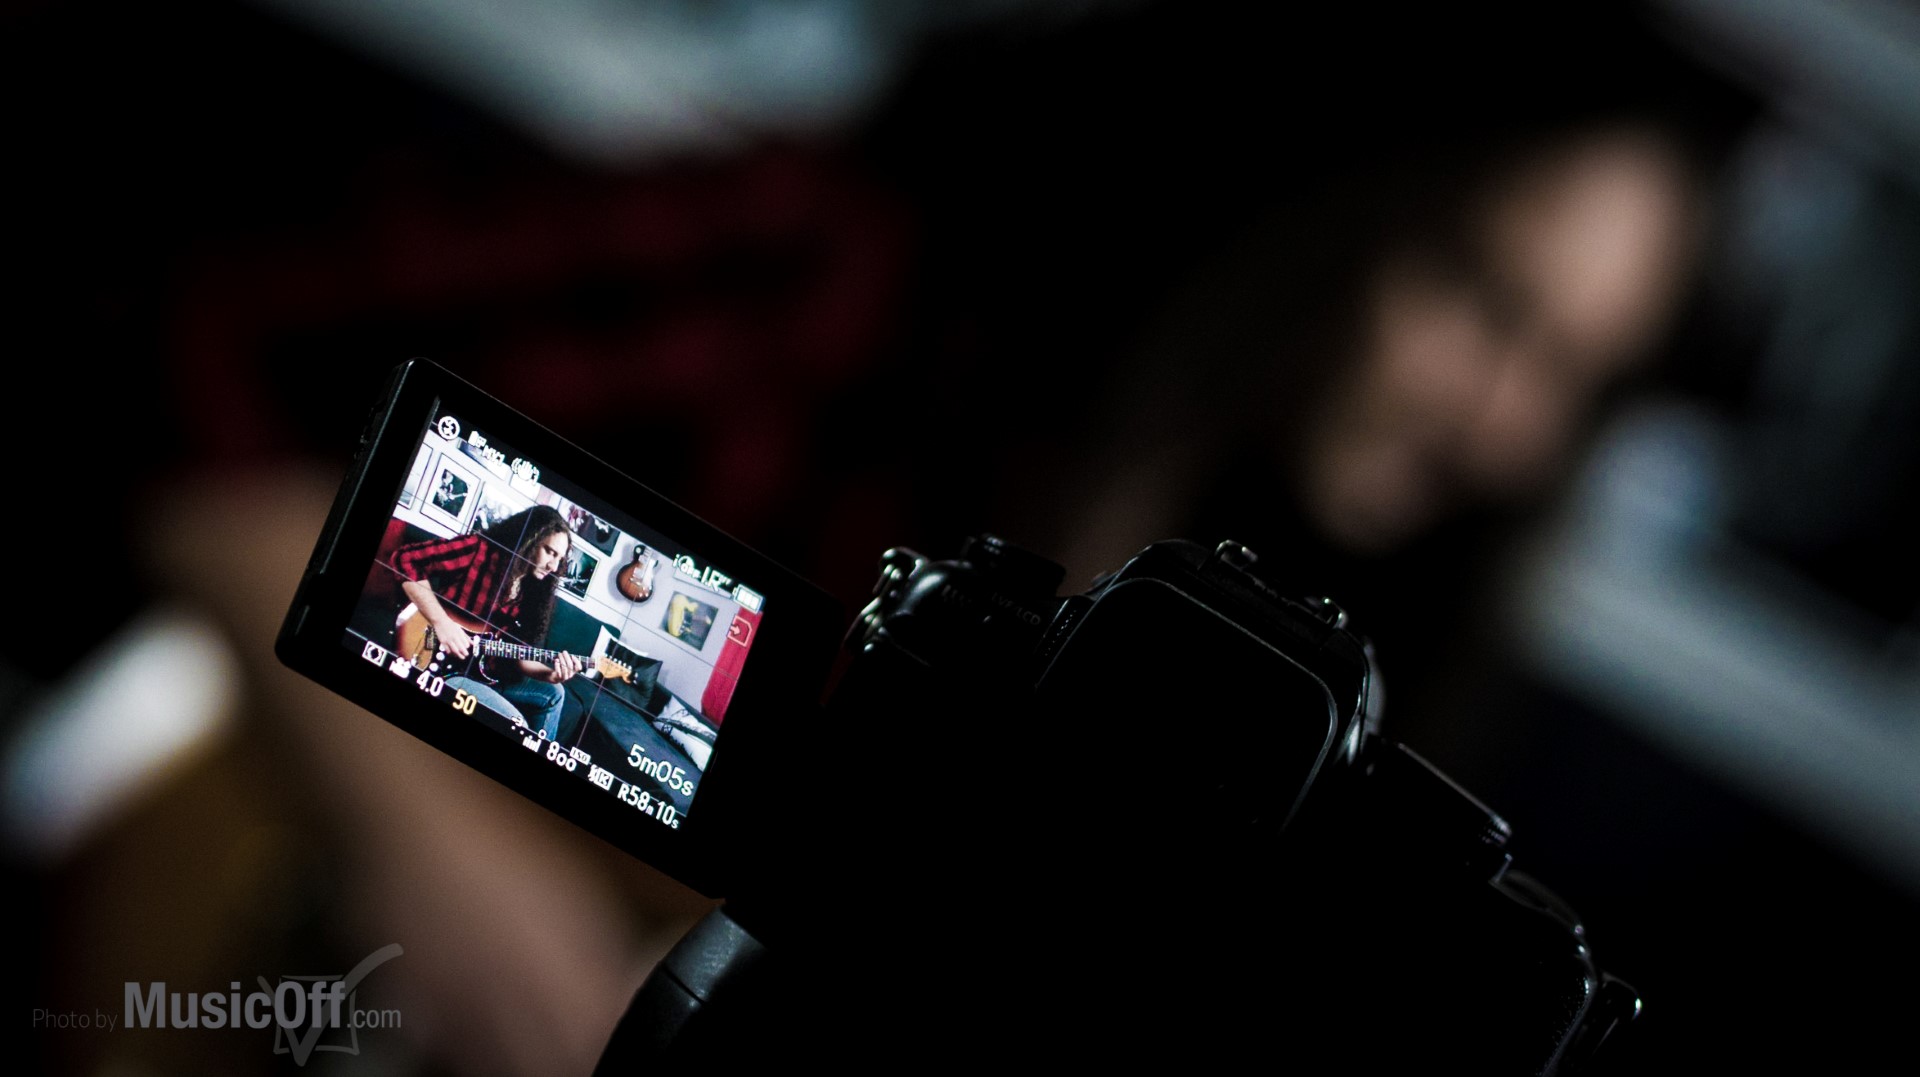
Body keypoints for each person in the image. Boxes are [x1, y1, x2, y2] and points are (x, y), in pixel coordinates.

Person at [392, 504, 583, 737]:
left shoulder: (531, 591)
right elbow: (405, 559)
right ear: (530, 539)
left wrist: (552, 675)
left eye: (560, 559)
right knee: (517, 726)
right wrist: (442, 622)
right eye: (550, 552)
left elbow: (521, 658)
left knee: (556, 692)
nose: (553, 566)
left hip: (485, 671)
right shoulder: (479, 550)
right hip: (444, 668)